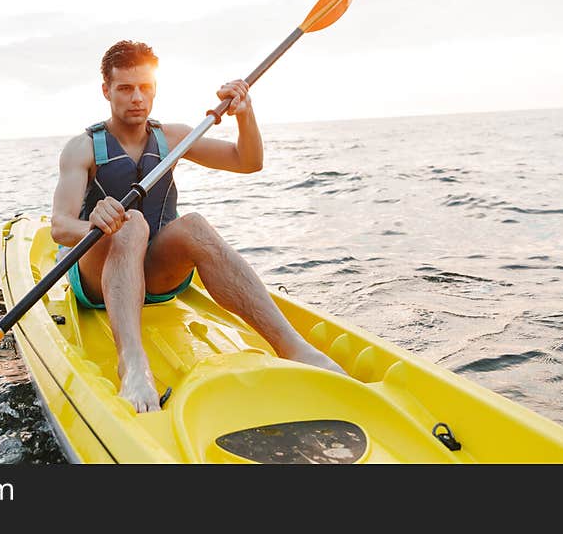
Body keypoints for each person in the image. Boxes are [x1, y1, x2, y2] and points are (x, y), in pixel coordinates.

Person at [50, 40, 345, 413]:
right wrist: (95, 223)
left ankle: (293, 346)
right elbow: (59, 227)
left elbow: (247, 161)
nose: (137, 98)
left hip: (155, 275)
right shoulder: (82, 148)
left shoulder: (174, 138)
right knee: (132, 223)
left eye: (145, 87)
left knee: (194, 225)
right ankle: (133, 364)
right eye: (125, 88)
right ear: (106, 91)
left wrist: (244, 114)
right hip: (98, 276)